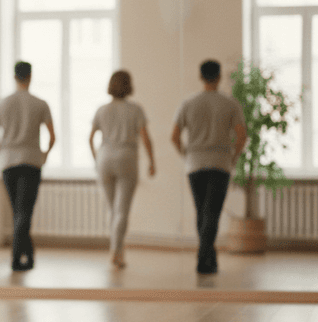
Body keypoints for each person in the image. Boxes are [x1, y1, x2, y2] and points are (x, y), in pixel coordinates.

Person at [171, 59, 247, 274]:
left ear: (200, 77)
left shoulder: (188, 104)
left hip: (194, 164)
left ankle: (207, 257)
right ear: (219, 76)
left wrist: (185, 155)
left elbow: (174, 137)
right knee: (212, 212)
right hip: (220, 163)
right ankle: (204, 257)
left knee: (201, 212)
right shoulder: (230, 104)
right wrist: (233, 157)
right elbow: (241, 136)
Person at [0, 61, 55, 271]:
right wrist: (44, 154)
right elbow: (52, 137)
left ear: (14, 77)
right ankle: (17, 258)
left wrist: (1, 154)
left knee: (18, 211)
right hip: (31, 161)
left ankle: (28, 254)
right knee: (24, 212)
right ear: (30, 76)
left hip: (8, 163)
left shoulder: (1, 103)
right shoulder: (40, 104)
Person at [89, 70, 156, 269]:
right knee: (122, 211)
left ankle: (117, 250)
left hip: (105, 159)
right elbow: (145, 137)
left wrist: (96, 160)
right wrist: (152, 161)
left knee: (113, 209)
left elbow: (90, 138)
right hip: (126, 158)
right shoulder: (135, 109)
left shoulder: (102, 110)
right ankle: (116, 251)